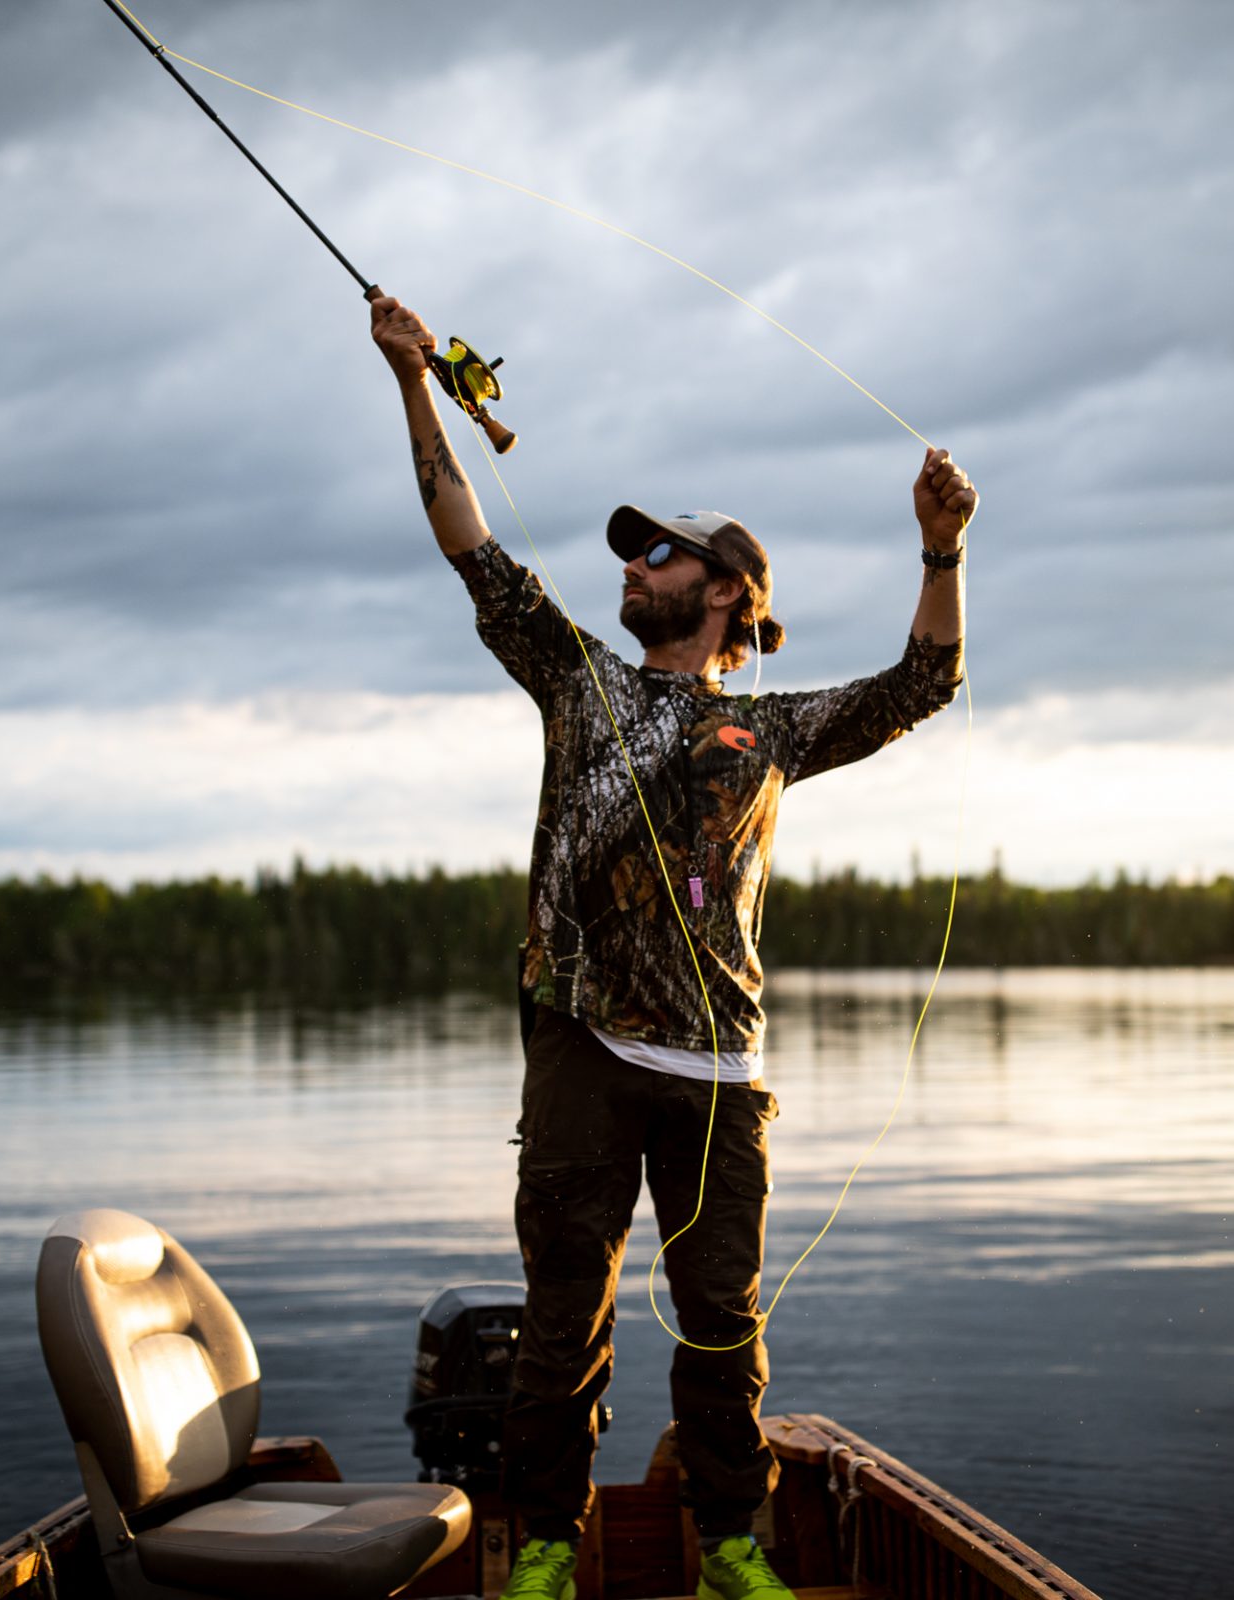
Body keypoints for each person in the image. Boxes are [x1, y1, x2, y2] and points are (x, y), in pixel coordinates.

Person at [371, 291, 973, 1600]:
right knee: (559, 1333)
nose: (632, 571)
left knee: (724, 1336)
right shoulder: (575, 677)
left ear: (725, 593)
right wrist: (415, 381)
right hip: (580, 1054)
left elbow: (922, 686)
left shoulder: (769, 732)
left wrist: (941, 551)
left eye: (660, 559)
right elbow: (465, 538)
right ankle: (540, 1551)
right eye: (632, 558)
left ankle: (734, 1549)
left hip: (719, 1080)